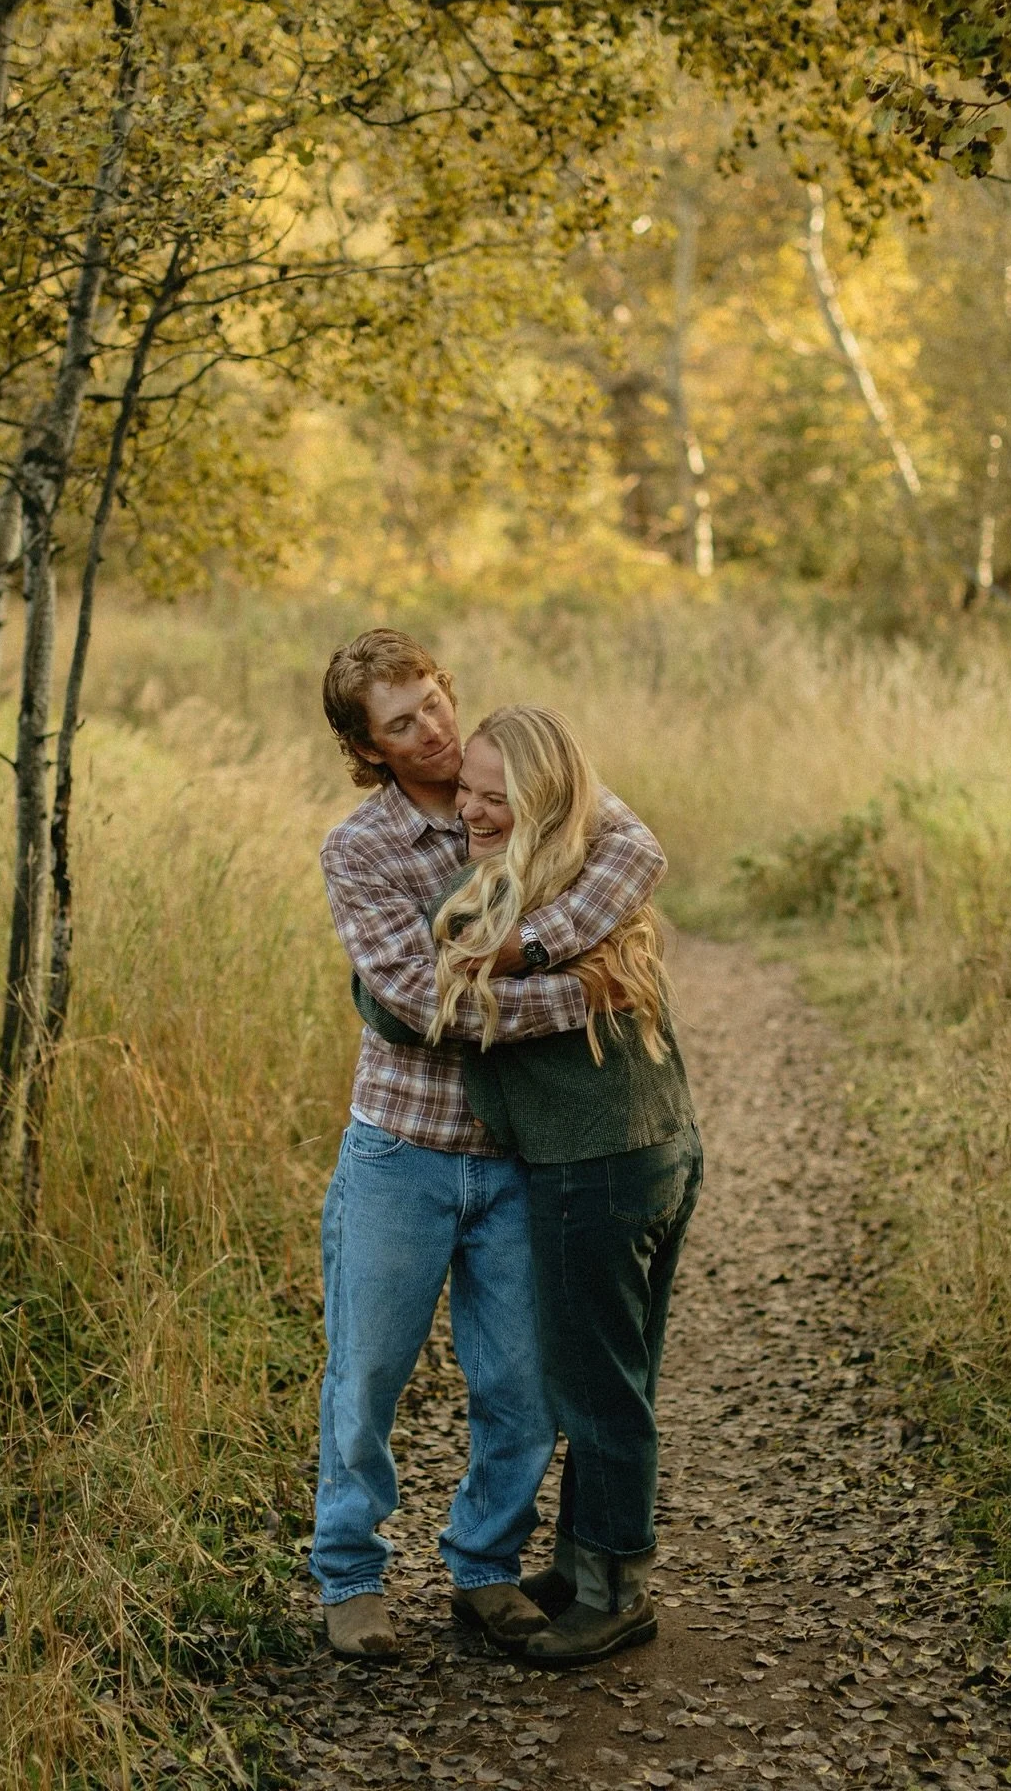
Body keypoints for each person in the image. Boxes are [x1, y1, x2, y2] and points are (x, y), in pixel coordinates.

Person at [314, 630, 667, 1661]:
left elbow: (636, 852)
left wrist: (531, 945)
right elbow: (425, 1006)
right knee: (367, 1377)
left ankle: (483, 1567)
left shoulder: (514, 777)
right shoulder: (360, 851)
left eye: (432, 703)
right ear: (369, 747)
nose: (432, 733)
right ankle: (349, 1579)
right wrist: (584, 990)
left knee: (517, 1384)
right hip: (403, 1150)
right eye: (401, 724)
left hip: (521, 1155)